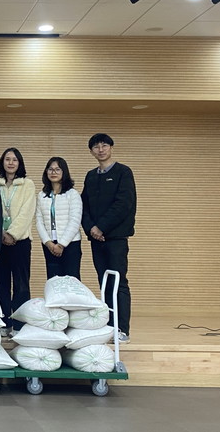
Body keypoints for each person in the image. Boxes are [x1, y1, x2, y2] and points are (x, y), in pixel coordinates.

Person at [81, 133, 136, 344]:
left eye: (104, 145)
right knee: (104, 283)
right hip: (96, 239)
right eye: (96, 147)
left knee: (119, 282)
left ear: (111, 148)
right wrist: (91, 229)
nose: (101, 149)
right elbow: (83, 206)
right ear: (91, 151)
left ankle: (122, 329)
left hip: (116, 238)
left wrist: (101, 227)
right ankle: (108, 326)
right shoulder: (90, 176)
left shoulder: (123, 172)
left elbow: (124, 204)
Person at [0, 147, 36, 335]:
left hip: (20, 241)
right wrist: (0, 233)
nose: (10, 163)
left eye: (14, 160)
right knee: (0, 282)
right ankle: (4, 322)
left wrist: (12, 234)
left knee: (21, 283)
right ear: (2, 162)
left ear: (20, 163)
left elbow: (27, 212)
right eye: (7, 159)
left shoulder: (28, 184)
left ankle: (19, 325)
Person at [35, 156, 83, 280]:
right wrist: (48, 242)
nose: (53, 172)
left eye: (57, 169)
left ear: (64, 172)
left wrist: (61, 245)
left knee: (71, 281)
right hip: (50, 245)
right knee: (53, 281)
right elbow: (39, 221)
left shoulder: (72, 194)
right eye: (50, 169)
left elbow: (75, 221)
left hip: (70, 244)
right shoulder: (42, 195)